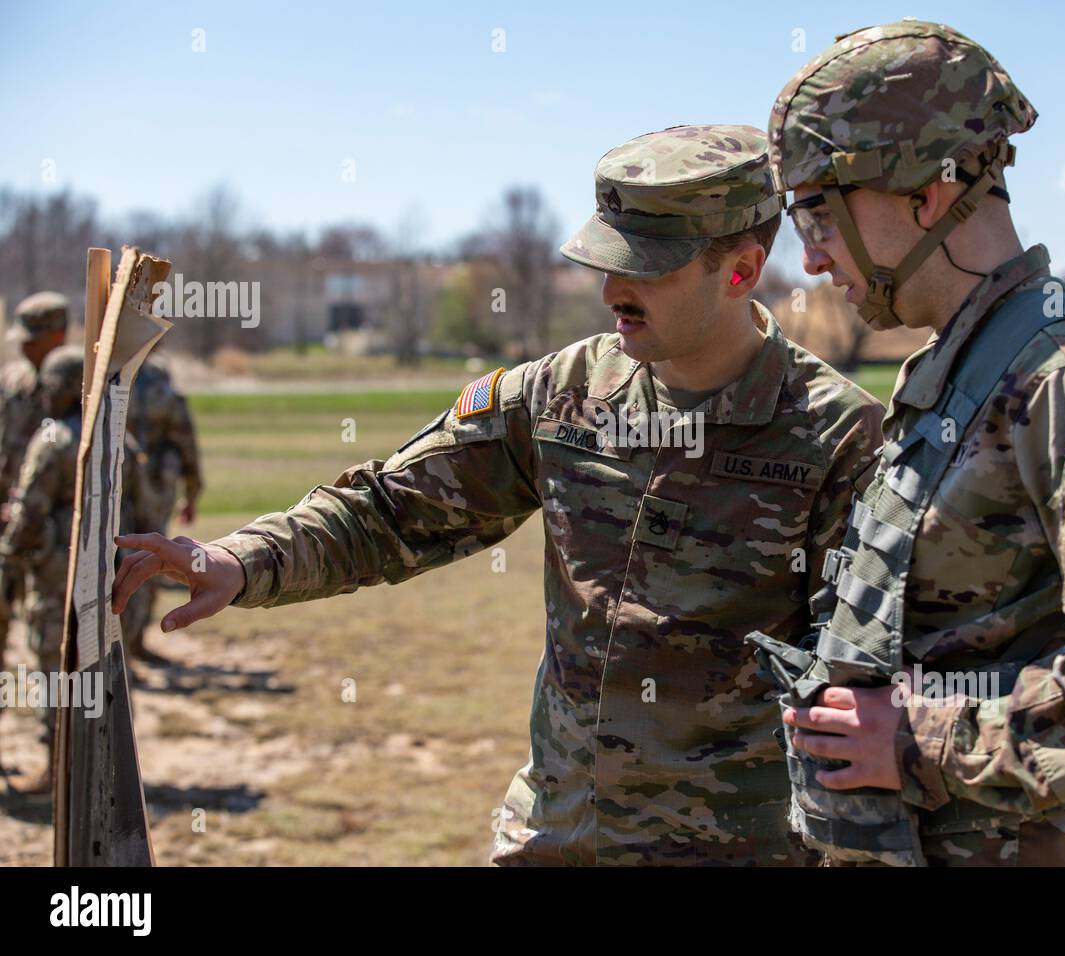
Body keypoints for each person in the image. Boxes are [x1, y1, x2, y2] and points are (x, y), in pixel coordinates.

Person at [112, 124, 885, 865]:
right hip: (553, 842)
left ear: (741, 271)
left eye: (647, 266)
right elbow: (393, 510)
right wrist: (240, 561)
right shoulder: (558, 395)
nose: (614, 289)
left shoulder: (837, 438)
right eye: (608, 260)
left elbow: (862, 691)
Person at [756, 20, 1065, 866]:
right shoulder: (965, 365)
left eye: (821, 213)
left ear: (929, 193)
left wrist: (920, 740)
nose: (809, 260)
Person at [0, 346, 146, 791]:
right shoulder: (116, 436)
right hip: (109, 574)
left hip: (54, 576)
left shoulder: (53, 441)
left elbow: (29, 515)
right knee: (99, 663)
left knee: (52, 664)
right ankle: (103, 762)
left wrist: (10, 550)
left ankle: (57, 770)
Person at [0, 291, 68, 673]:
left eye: (31, 337)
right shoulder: (12, 380)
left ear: (56, 335)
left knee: (48, 624)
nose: (22, 345)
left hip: (51, 531)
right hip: (7, 517)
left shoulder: (76, 384)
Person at [120, 357, 203, 663]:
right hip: (151, 487)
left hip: (127, 484)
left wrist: (192, 492)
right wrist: (192, 492)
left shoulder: (109, 377)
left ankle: (129, 640)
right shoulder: (162, 388)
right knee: (150, 556)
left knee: (132, 558)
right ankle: (133, 639)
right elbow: (185, 441)